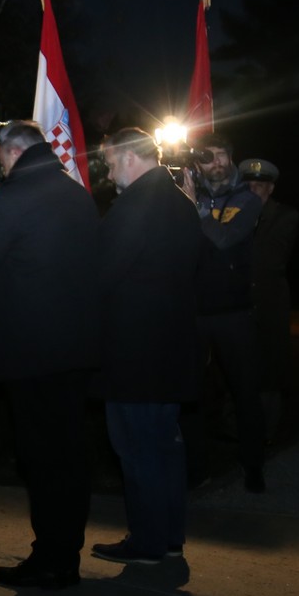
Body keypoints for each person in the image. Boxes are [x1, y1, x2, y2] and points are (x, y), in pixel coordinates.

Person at [0, 122, 102, 589]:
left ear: (10, 152)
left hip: (31, 353)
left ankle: (50, 560)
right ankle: (63, 553)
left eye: (1, 158)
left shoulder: (12, 199)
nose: (1, 167)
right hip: (75, 349)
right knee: (69, 456)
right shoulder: (76, 194)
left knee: (43, 459)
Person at [87, 127, 203, 565]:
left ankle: (148, 541)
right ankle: (169, 535)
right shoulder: (179, 201)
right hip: (169, 351)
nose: (110, 171)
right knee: (165, 448)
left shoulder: (135, 206)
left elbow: (101, 276)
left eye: (112, 162)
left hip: (135, 355)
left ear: (129, 157)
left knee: (139, 451)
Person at [182, 136, 266, 492]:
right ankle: (196, 470)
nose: (215, 163)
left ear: (232, 159)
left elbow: (225, 238)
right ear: (196, 165)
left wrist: (194, 209)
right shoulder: (186, 199)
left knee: (246, 392)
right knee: (191, 394)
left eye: (221, 156)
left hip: (234, 313)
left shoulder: (248, 198)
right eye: (207, 158)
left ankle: (254, 468)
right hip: (194, 313)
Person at [241, 158, 299, 434]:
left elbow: (271, 260)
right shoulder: (233, 214)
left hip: (269, 304)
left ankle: (268, 430)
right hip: (240, 304)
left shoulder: (285, 216)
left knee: (270, 370)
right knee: (241, 370)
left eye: (259, 185)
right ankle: (242, 426)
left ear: (271, 188)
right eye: (248, 184)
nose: (253, 190)